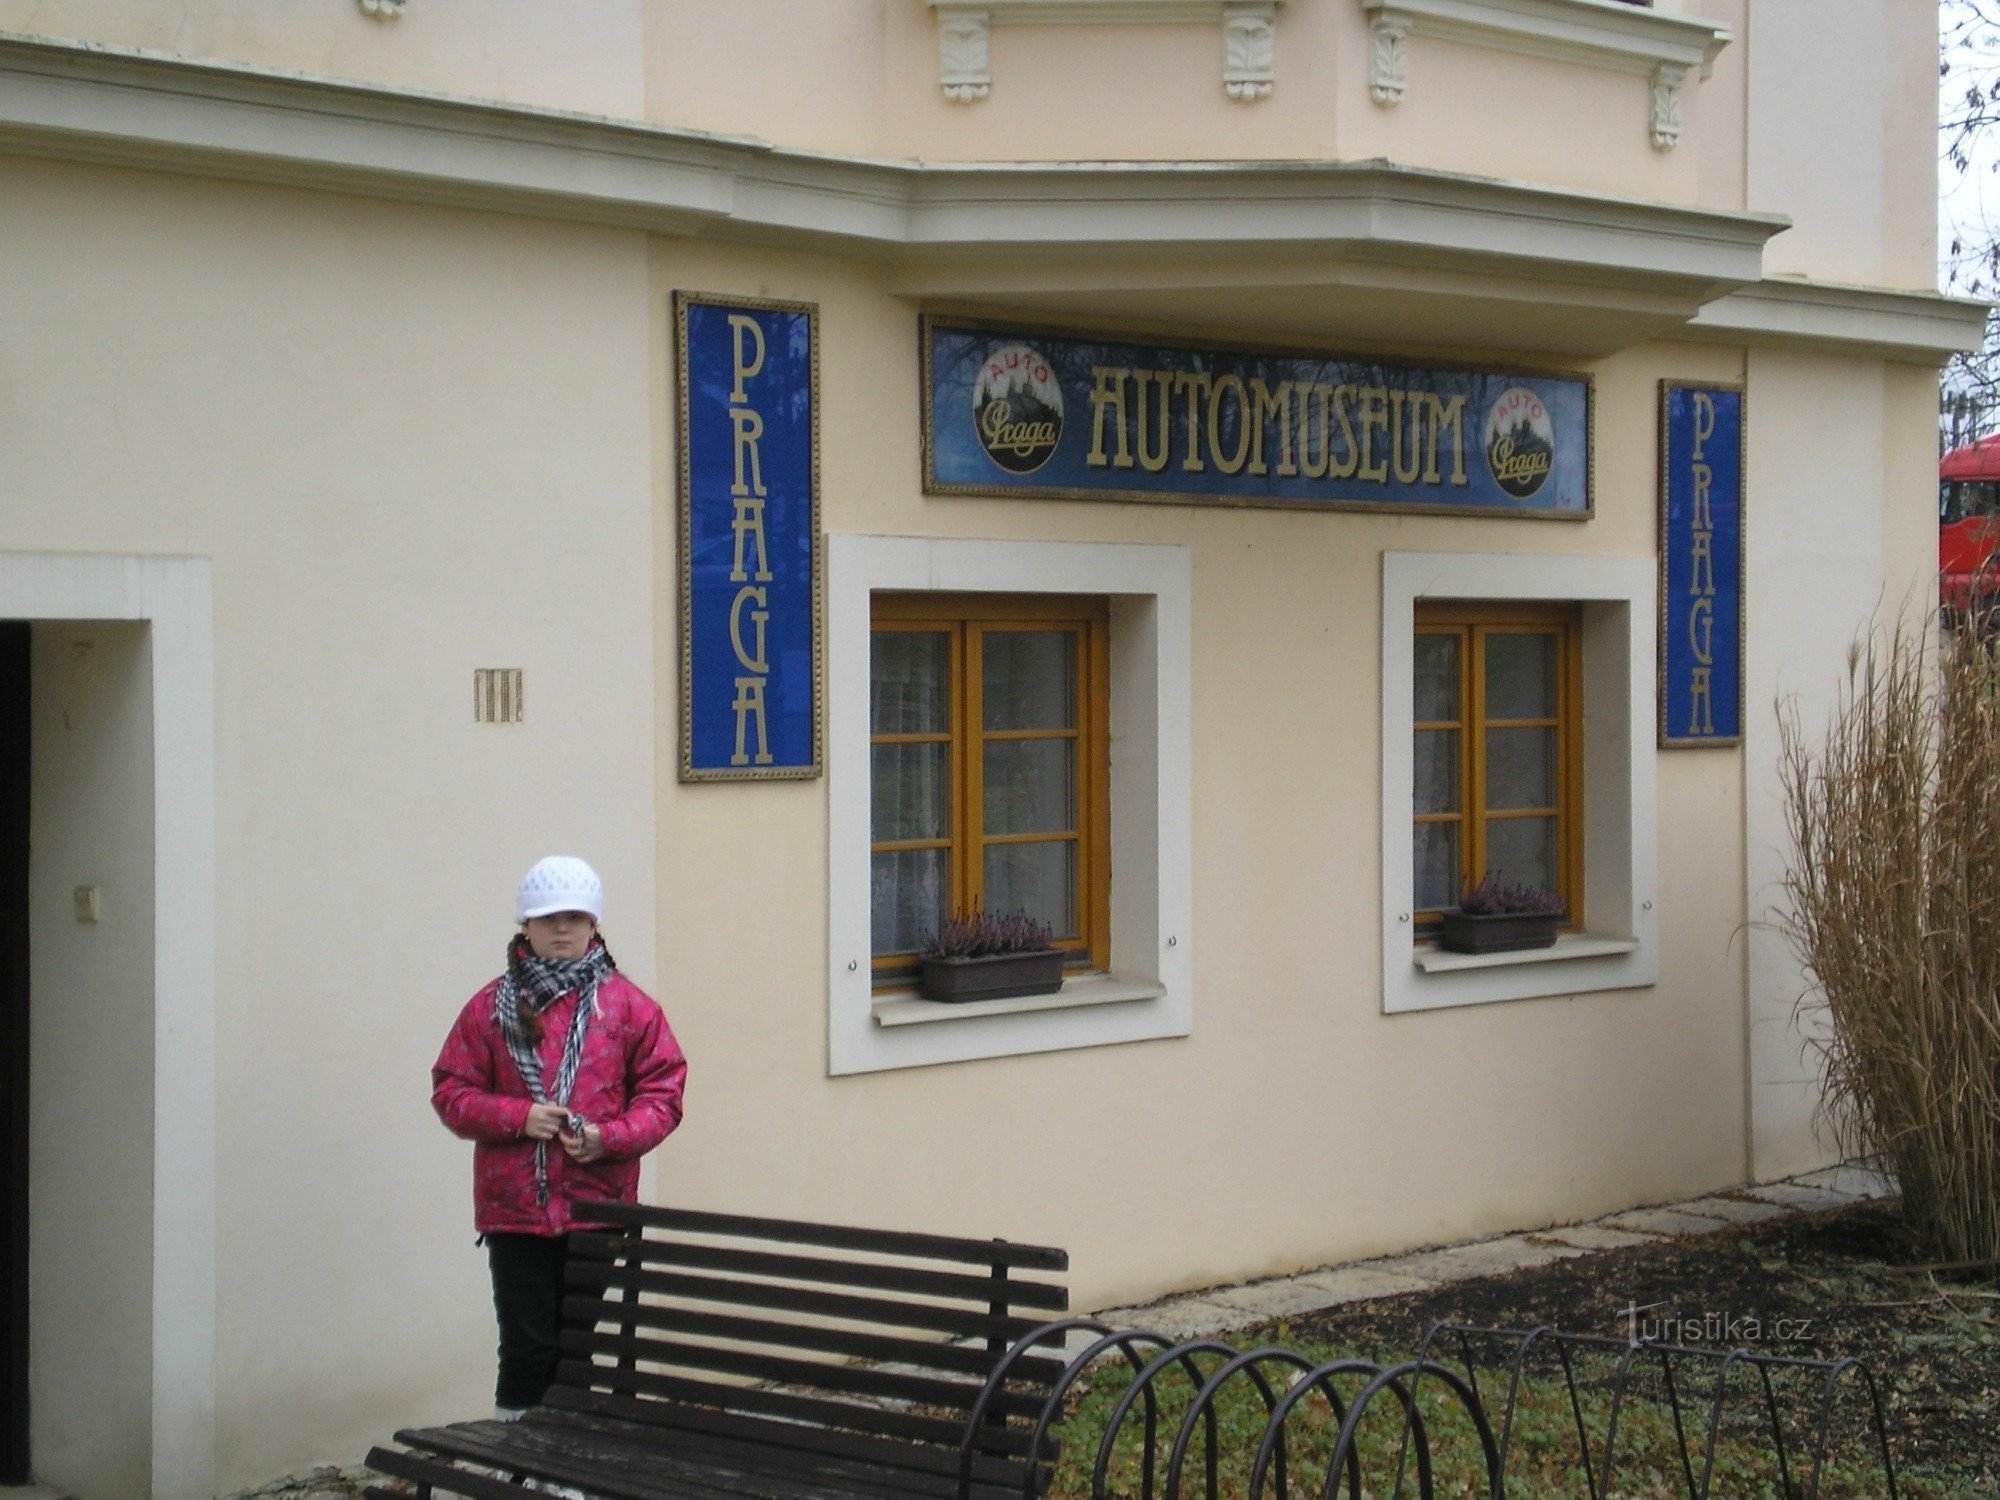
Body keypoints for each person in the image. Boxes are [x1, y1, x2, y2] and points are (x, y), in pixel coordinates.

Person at [431, 855, 687, 1419]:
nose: (563, 929)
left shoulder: (627, 1007)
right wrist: (517, 1117)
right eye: (549, 918)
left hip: (597, 1207)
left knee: (576, 1349)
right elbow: (451, 1091)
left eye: (576, 917)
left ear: (595, 925)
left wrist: (608, 1138)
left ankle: (568, 1463)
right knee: (526, 1348)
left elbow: (664, 1094)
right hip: (515, 1212)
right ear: (525, 927)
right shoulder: (488, 1010)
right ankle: (514, 1461)